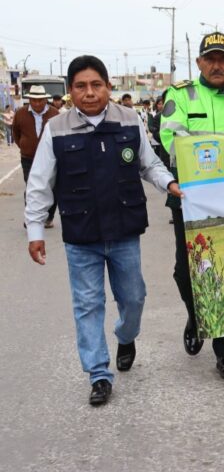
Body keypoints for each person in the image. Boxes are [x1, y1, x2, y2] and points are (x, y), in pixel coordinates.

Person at [25, 55, 181, 406]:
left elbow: (149, 164)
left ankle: (126, 336)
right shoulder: (57, 129)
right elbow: (39, 184)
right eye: (81, 86)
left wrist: (169, 184)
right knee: (87, 304)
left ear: (108, 87)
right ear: (70, 92)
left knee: (134, 298)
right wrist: (35, 228)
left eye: (97, 84)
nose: (90, 92)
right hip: (82, 236)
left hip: (124, 232)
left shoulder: (130, 121)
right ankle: (98, 373)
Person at [160, 31, 224, 379]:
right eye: (211, 58)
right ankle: (198, 315)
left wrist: (220, 144)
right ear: (199, 62)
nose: (217, 65)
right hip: (190, 198)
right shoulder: (180, 95)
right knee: (184, 271)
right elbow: (172, 139)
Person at [13, 85, 59, 228]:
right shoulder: (20, 114)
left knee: (52, 187)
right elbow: (16, 133)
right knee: (31, 187)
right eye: (34, 100)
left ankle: (48, 217)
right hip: (28, 157)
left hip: (51, 157)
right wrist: (24, 145)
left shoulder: (55, 114)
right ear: (30, 100)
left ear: (45, 100)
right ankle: (31, 219)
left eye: (40, 100)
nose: (37, 103)